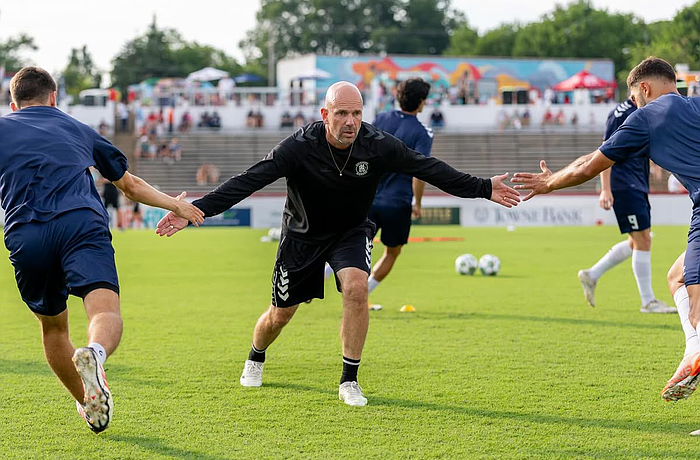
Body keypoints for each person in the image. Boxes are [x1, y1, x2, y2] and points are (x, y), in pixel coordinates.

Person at [156, 81, 520, 407]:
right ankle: (256, 355)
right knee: (279, 316)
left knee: (358, 288)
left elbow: (428, 168)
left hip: (351, 231)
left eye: (357, 113)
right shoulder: (298, 147)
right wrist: (194, 210)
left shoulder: (377, 144)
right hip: (301, 236)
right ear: (324, 114)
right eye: (342, 113)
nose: (351, 121)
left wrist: (484, 188)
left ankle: (349, 380)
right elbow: (247, 181)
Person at [0, 67, 204, 434]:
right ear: (53, 98)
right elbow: (129, 184)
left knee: (53, 328)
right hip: (81, 222)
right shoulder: (76, 128)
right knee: (103, 308)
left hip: (26, 232)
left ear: (13, 104)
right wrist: (175, 205)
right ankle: (95, 354)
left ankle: (87, 404)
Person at [510, 57, 700, 415]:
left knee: (697, 306)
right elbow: (598, 153)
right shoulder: (694, 106)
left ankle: (695, 349)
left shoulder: (646, 117)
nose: (635, 104)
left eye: (635, 96)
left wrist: (549, 182)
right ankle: (692, 350)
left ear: (644, 89)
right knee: (676, 277)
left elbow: (590, 165)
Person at [577, 98, 674, 313]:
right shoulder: (621, 113)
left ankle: (592, 275)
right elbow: (606, 150)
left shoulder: (640, 111)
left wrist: (652, 162)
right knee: (643, 239)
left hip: (636, 183)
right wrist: (605, 188)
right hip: (624, 184)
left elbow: (634, 145)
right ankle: (648, 302)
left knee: (637, 241)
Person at [366, 78, 433, 309]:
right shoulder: (422, 132)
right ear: (422, 102)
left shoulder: (381, 118)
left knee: (350, 245)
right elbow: (420, 172)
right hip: (397, 202)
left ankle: (319, 276)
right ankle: (362, 295)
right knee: (392, 252)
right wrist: (418, 203)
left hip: (368, 198)